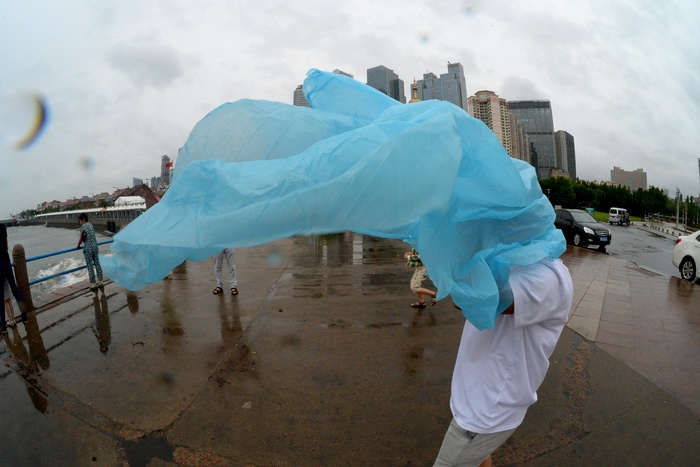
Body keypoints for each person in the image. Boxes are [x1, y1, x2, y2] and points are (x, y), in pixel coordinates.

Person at [434, 257, 573, 466]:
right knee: (481, 459)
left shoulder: (547, 277)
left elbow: (475, 299)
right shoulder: (506, 260)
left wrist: (456, 252)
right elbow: (462, 299)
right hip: (475, 396)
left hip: (488, 409)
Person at [0, 223, 26, 334]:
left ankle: (3, 326)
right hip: (6, 261)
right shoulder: (2, 227)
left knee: (1, 296)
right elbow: (6, 245)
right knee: (15, 289)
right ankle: (24, 315)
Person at [77, 213, 104, 291]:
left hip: (88, 249)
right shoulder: (91, 225)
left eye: (80, 221)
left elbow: (82, 238)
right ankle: (101, 281)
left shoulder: (83, 227)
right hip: (95, 247)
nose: (80, 222)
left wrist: (78, 245)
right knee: (97, 264)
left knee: (90, 266)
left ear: (83, 220)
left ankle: (93, 283)